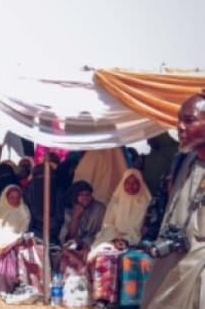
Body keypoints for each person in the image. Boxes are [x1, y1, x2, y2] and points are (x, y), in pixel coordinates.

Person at [142, 93, 205, 309]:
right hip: (171, 265)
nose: (180, 127)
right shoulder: (182, 162)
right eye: (179, 120)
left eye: (189, 120)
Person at [87, 170, 152, 308]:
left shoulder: (147, 204)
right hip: (114, 238)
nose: (131, 186)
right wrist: (115, 239)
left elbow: (144, 229)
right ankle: (103, 298)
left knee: (133, 260)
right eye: (127, 183)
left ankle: (132, 302)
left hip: (137, 243)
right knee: (105, 256)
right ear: (122, 184)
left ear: (141, 184)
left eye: (135, 183)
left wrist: (127, 240)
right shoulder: (116, 201)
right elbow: (108, 225)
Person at [59, 181, 107, 279]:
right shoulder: (70, 210)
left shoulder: (100, 209)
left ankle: (85, 274)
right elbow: (69, 237)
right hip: (75, 245)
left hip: (95, 242)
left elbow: (102, 231)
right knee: (66, 253)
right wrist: (75, 217)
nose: (85, 198)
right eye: (81, 195)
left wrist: (85, 243)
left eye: (88, 194)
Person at [141, 132, 179, 197]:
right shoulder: (152, 154)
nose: (148, 143)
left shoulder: (175, 150)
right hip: (155, 197)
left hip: (173, 194)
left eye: (150, 138)